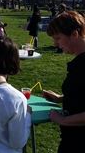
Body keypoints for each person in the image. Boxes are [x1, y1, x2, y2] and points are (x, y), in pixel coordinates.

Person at [43, 11, 85, 153]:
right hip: (71, 139)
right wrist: (60, 98)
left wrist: (62, 120)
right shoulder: (79, 61)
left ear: (74, 34)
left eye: (58, 38)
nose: (55, 44)